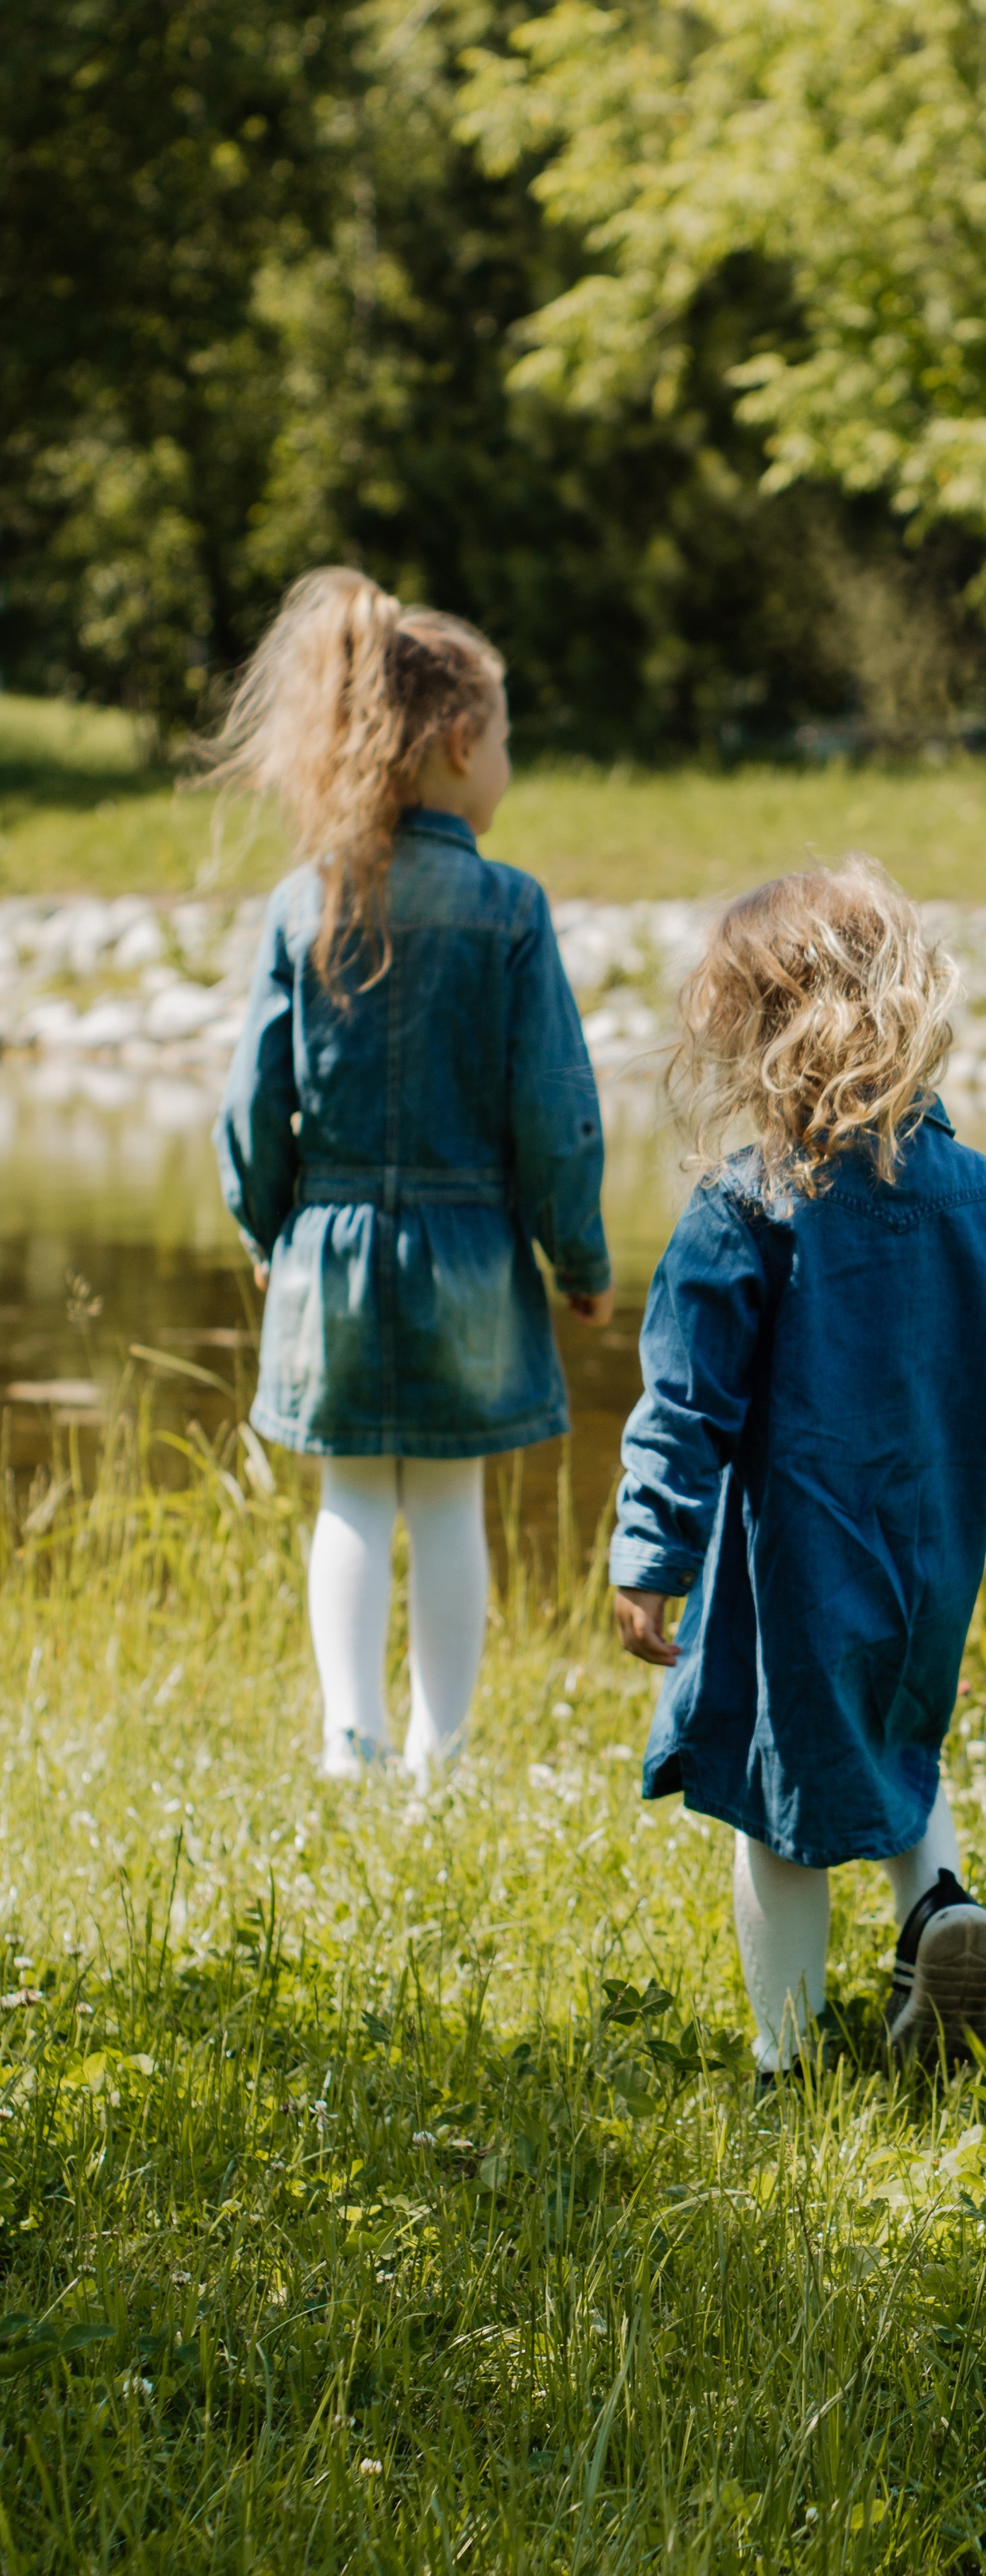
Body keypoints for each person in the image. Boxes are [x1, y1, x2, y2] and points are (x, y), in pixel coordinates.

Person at [609, 861, 986, 2076]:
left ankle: (786, 2054)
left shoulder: (749, 1205)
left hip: (797, 1567)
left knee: (782, 1799)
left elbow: (685, 1401)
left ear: (760, 1038)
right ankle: (938, 1906)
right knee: (896, 1741)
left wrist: (650, 1552)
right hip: (930, 1562)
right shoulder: (985, 1198)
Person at [214, 568, 612, 1785]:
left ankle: (352, 1738)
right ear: (454, 744)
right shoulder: (509, 908)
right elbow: (553, 1107)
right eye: (504, 742)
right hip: (468, 1257)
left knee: (350, 1502)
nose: (507, 768)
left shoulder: (304, 903)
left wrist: (272, 1222)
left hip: (330, 1249)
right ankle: (442, 1752)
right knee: (448, 1505)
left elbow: (250, 1105)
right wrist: (579, 1253)